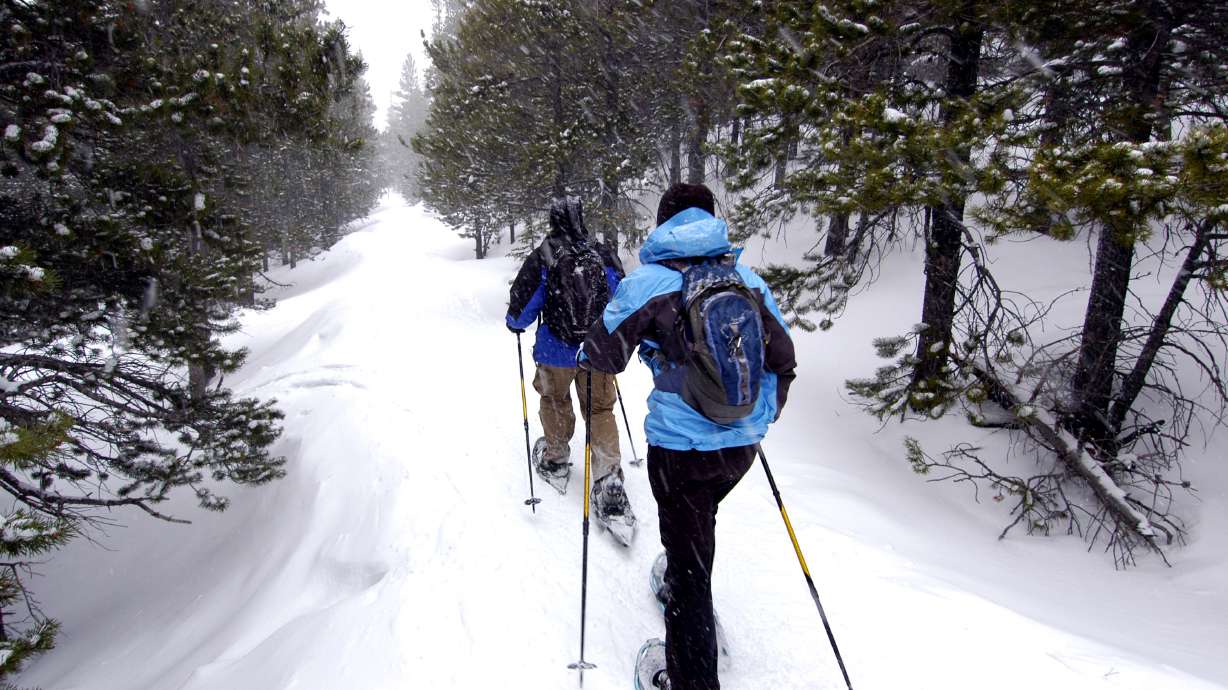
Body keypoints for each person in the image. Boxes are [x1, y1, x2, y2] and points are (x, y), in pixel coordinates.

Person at [580, 183, 796, 690]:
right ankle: (684, 569)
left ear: (664, 222)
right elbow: (784, 361)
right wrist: (754, 418)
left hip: (680, 451)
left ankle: (692, 674)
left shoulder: (649, 283)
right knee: (700, 524)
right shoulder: (747, 280)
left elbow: (602, 356)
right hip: (740, 450)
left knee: (691, 571)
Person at [506, 196, 634, 528]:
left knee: (554, 399)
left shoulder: (545, 255)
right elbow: (624, 296)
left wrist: (515, 323)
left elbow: (522, 308)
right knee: (601, 410)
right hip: (596, 350)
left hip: (555, 351)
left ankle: (556, 457)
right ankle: (608, 479)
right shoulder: (601, 252)